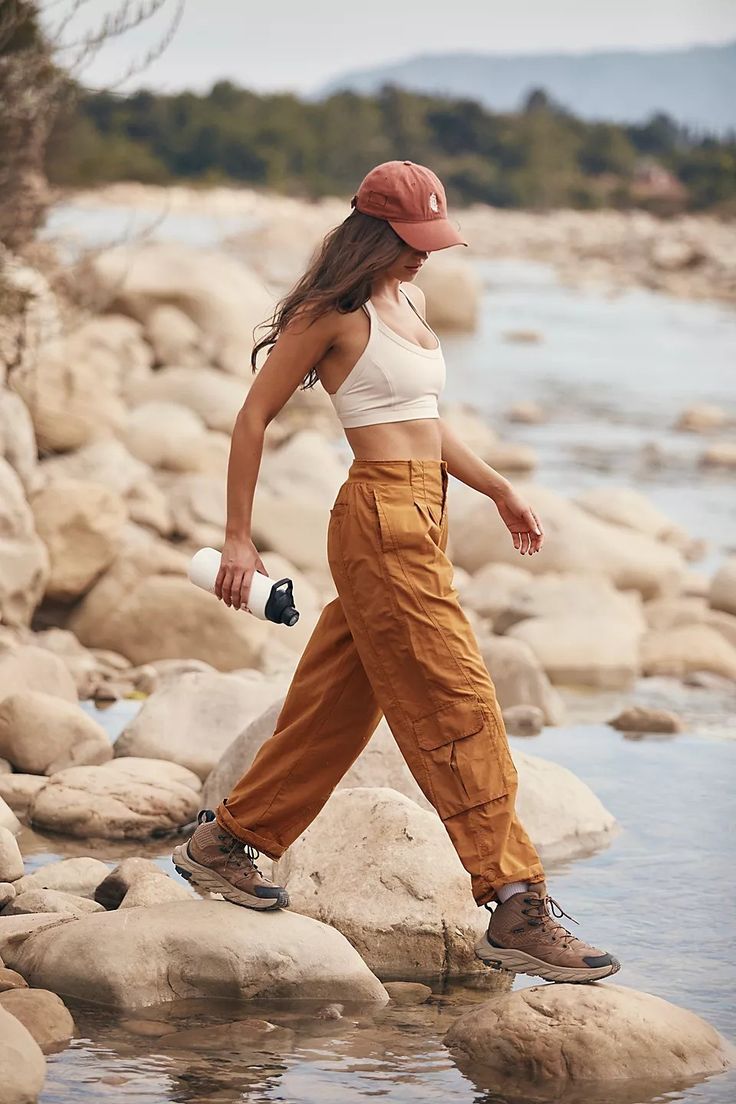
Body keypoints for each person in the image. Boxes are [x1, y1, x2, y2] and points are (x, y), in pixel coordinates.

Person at [173, 160, 620, 985]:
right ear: (375, 229)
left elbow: (425, 419)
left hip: (426, 510)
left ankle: (224, 841)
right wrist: (237, 538)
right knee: (461, 700)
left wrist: (499, 488)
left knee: (337, 707)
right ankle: (514, 901)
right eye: (414, 241)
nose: (425, 256)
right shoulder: (331, 311)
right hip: (381, 517)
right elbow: (252, 415)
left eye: (432, 241)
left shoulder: (405, 301)